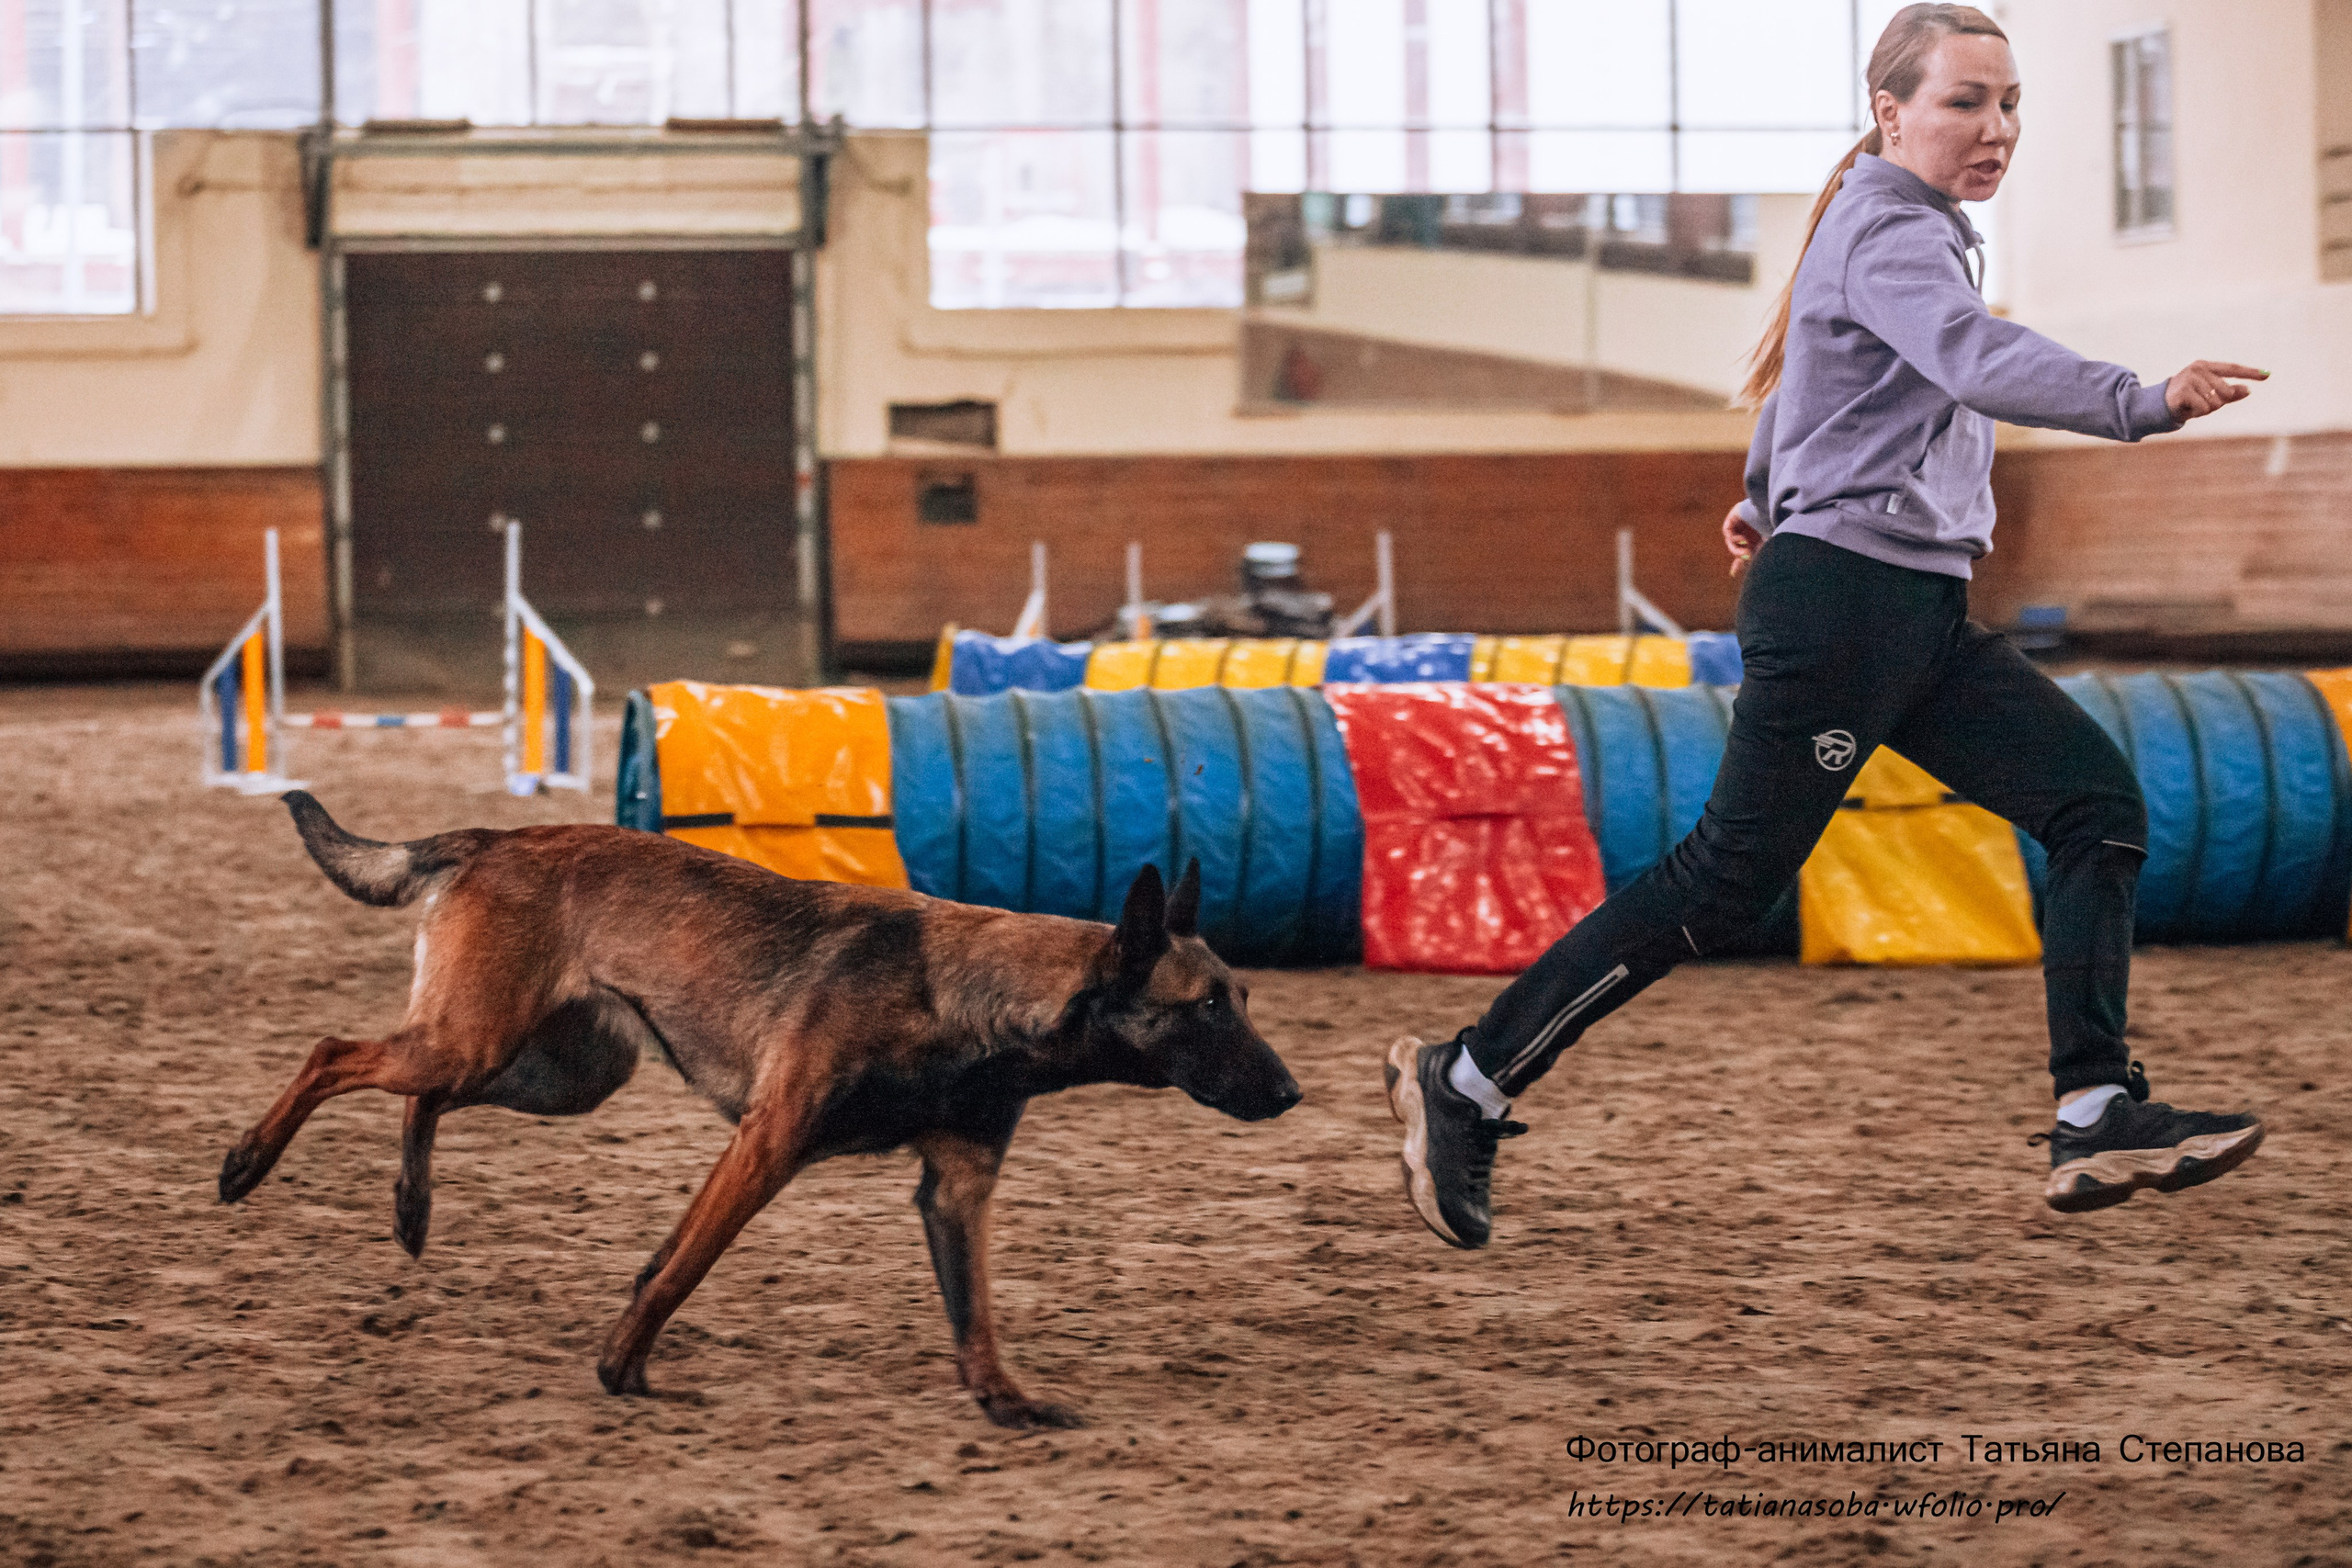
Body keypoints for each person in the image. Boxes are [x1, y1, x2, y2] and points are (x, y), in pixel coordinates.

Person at [1385, 3, 2267, 1249]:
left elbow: (1812, 375)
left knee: (2096, 810)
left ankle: (2091, 1110)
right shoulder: (1896, 232)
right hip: (1851, 608)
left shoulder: (1898, 233)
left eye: (2011, 103)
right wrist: (2137, 399)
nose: (1996, 128)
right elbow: (1968, 357)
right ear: (1890, 112)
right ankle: (1466, 1079)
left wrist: (1763, 494)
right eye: (1966, 101)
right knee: (1725, 881)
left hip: (1908, 608)